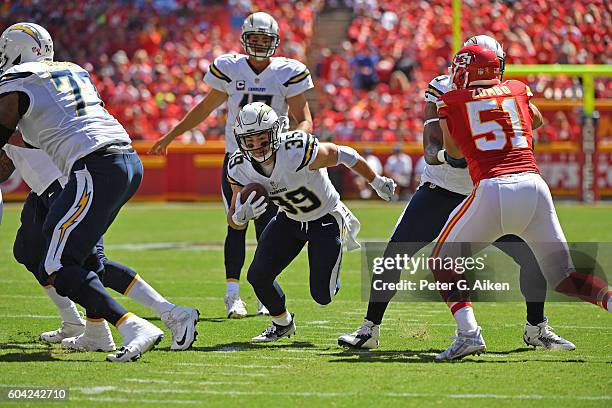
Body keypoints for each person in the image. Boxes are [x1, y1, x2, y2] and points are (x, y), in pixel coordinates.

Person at [339, 35, 575, 352]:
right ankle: (370, 328)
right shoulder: (443, 88)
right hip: (442, 189)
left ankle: (537, 328)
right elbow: (431, 140)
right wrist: (446, 156)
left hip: (487, 191)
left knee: (533, 258)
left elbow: (535, 120)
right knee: (394, 255)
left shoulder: (503, 92)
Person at [433, 44, 610, 361]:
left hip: (494, 187)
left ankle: (469, 334)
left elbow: (455, 152)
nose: (457, 73)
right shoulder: (517, 89)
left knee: (442, 261)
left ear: (472, 71)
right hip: (534, 186)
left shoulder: (452, 100)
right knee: (565, 277)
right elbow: (536, 120)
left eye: (462, 68)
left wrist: (445, 154)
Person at [0, 22, 163, 362]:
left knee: (58, 263)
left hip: (92, 166)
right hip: (122, 159)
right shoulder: (73, 70)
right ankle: (101, 329)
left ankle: (135, 324)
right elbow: (35, 136)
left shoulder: (16, 81)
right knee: (68, 256)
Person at [149, 12, 314, 318]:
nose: (260, 45)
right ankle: (232, 294)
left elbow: (303, 117)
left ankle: (265, 292)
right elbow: (205, 108)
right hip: (237, 160)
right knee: (235, 223)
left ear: (275, 42)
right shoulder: (230, 67)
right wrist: (172, 135)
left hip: (271, 161)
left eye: (266, 40)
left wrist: (297, 143)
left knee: (269, 228)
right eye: (255, 39)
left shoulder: (287, 72)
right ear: (244, 40)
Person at [0, 142, 199, 352]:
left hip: (70, 179)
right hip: (46, 184)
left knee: (89, 262)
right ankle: (75, 324)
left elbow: (19, 132)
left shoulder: (21, 111)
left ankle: (171, 313)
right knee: (28, 251)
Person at [227, 102, 395, 342]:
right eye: (249, 140)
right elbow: (233, 222)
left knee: (322, 296)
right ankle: (282, 323)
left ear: (275, 131)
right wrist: (239, 217)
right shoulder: (240, 167)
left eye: (261, 138)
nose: (256, 146)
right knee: (257, 276)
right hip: (289, 219)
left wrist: (375, 180)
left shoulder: (296, 149)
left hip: (324, 219)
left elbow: (344, 154)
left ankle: (332, 267)